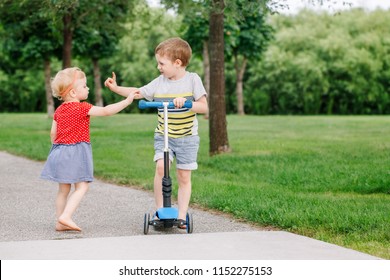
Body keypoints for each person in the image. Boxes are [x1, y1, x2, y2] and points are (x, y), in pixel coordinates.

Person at [104, 37, 208, 229]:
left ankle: (182, 216)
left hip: (187, 137)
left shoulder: (193, 80)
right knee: (161, 168)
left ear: (177, 63)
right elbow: (137, 92)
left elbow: (203, 107)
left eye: (162, 63)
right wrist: (116, 88)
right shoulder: (159, 82)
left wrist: (186, 103)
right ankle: (160, 211)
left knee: (184, 176)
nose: (158, 67)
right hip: (164, 135)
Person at [41, 67, 137, 232]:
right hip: (77, 152)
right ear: (72, 93)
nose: (88, 88)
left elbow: (52, 133)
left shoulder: (59, 110)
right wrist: (127, 101)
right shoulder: (82, 108)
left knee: (63, 190)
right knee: (82, 187)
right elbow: (106, 111)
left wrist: (59, 147)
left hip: (59, 151)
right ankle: (66, 216)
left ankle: (59, 222)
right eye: (84, 86)